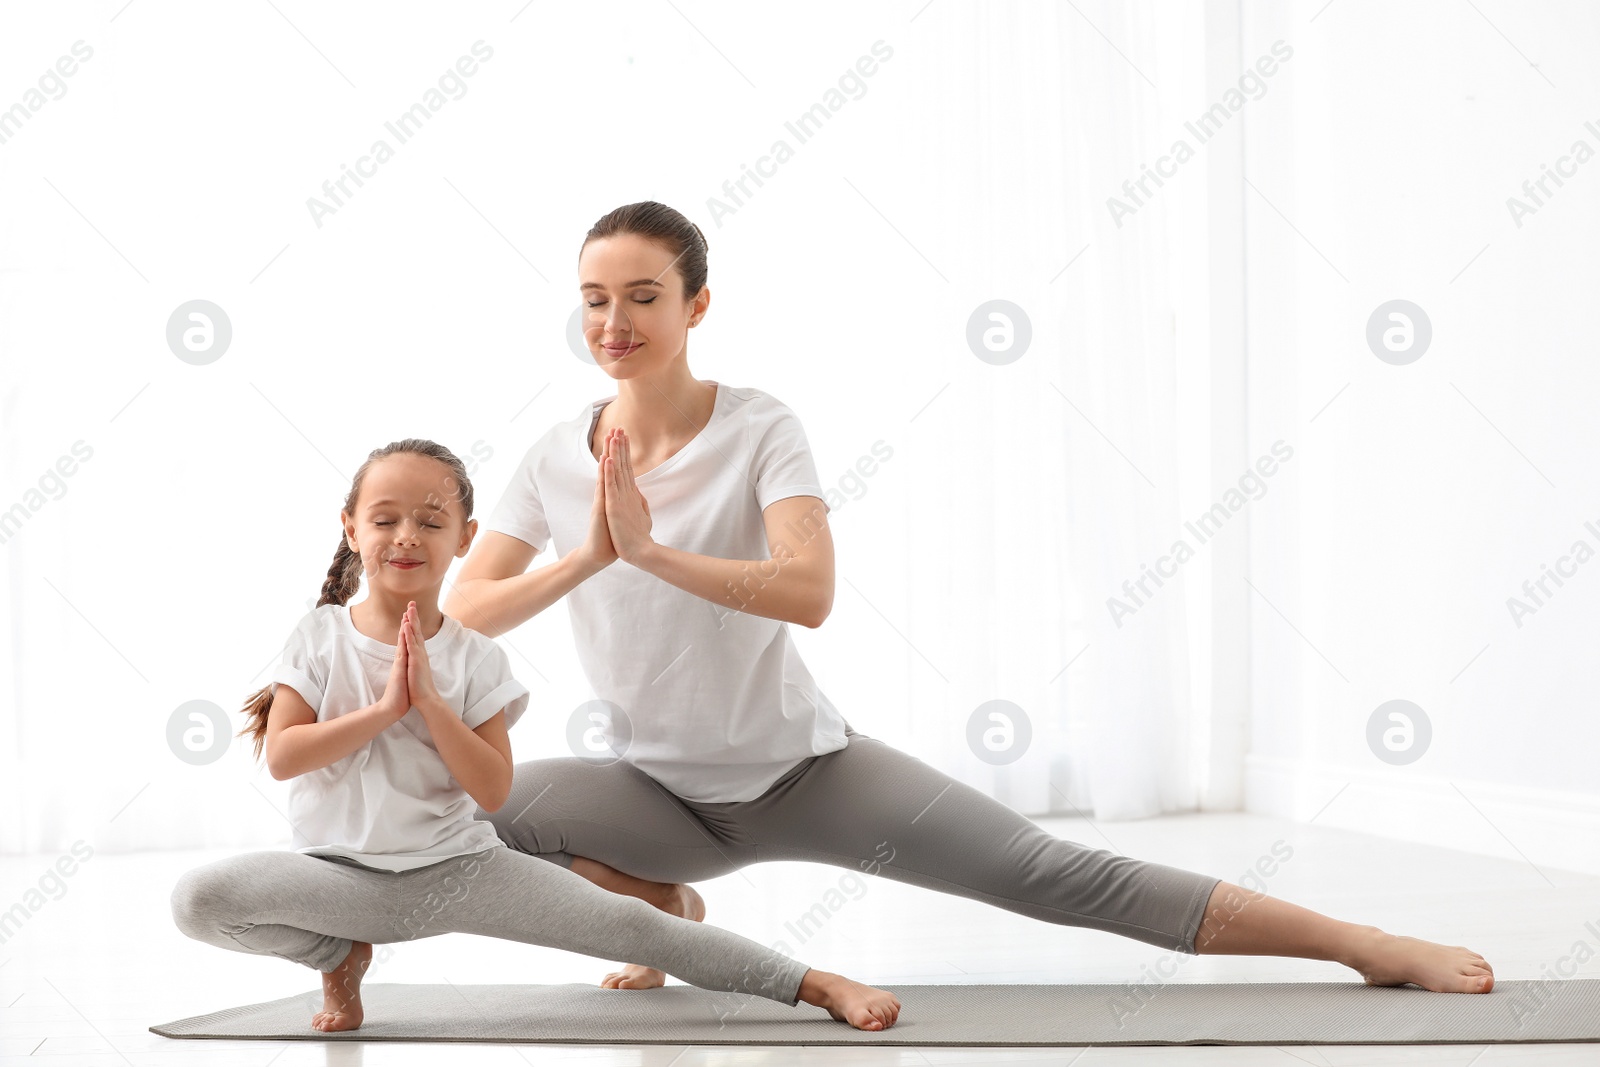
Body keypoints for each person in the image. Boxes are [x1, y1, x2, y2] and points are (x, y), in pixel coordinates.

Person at [444, 201, 1497, 997]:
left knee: (1053, 872)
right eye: (594, 297)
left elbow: (807, 591)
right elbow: (471, 607)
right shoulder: (556, 452)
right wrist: (590, 556)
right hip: (655, 793)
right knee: (455, 814)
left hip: (804, 771)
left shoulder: (760, 426)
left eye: (641, 295)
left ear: (695, 305)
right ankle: (659, 908)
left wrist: (655, 553)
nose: (613, 321)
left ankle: (1367, 945)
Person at [168, 438, 902, 1033]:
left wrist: (430, 704)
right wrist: (386, 708)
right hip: (337, 877)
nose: (405, 536)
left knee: (639, 929)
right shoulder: (319, 635)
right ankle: (338, 954)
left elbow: (492, 788)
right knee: (199, 898)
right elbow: (287, 757)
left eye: (430, 520)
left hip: (459, 871)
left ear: (465, 539)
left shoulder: (476, 657)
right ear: (351, 527)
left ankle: (817, 983)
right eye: (385, 517)